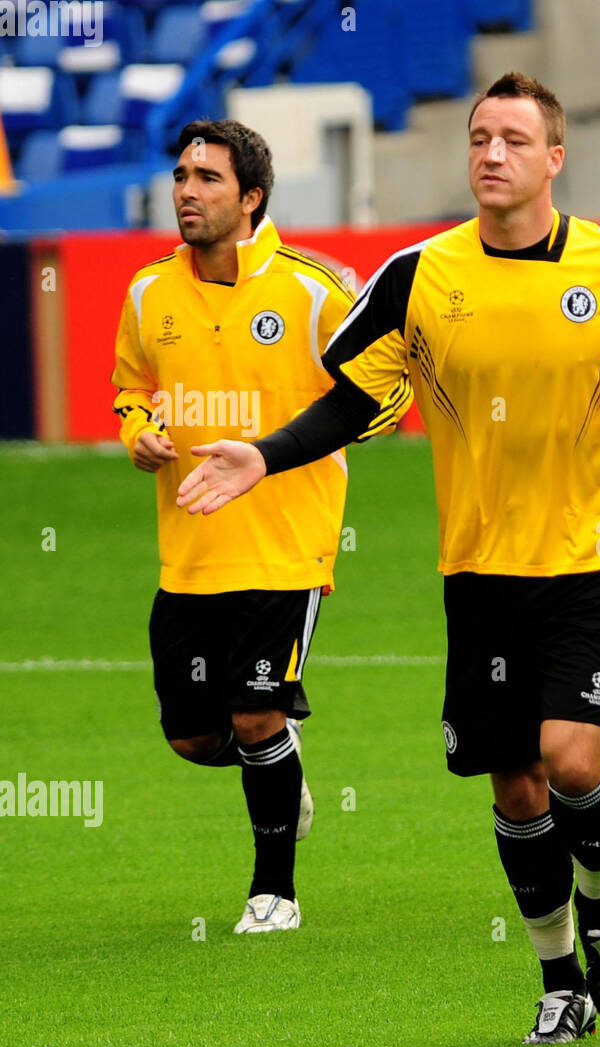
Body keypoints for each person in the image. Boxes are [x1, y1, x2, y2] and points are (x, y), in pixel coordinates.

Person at [172, 74, 600, 1044]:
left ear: (553, 156)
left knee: (572, 754)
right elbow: (350, 400)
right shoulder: (418, 276)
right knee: (513, 783)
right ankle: (557, 980)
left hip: (595, 548)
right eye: (476, 136)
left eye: (511, 138)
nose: (490, 154)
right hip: (480, 567)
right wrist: (263, 453)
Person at [111, 119, 411, 934]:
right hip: (191, 552)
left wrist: (281, 450)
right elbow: (132, 383)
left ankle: (273, 891)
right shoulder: (148, 294)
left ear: (252, 198)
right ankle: (280, 767)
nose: (185, 192)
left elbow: (387, 394)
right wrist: (138, 429)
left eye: (206, 179)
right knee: (195, 737)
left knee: (255, 715)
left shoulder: (316, 289)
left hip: (287, 546)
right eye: (180, 176)